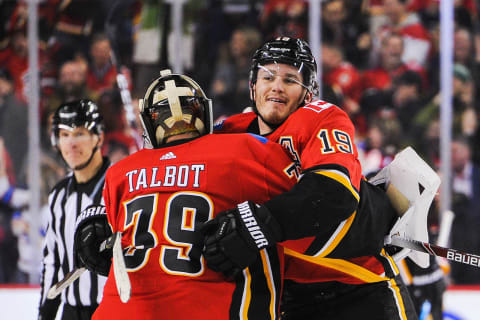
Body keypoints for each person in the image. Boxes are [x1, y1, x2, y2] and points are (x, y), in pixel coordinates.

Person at [205, 37, 417, 319]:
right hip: (292, 300)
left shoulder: (322, 117)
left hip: (362, 288)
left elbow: (333, 194)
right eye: (267, 76)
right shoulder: (228, 132)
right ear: (253, 85)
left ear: (308, 92)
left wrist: (256, 223)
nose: (277, 86)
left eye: (290, 79)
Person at [73, 69, 298, 319]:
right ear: (202, 112)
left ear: (151, 122)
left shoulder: (120, 172)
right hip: (205, 307)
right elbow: (306, 197)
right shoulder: (243, 149)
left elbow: (118, 224)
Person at [38, 99, 110, 320]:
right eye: (64, 135)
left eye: (79, 133)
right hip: (71, 312)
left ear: (99, 137)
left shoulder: (122, 187)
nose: (71, 144)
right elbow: (53, 260)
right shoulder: (59, 195)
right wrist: (46, 314)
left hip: (113, 310)